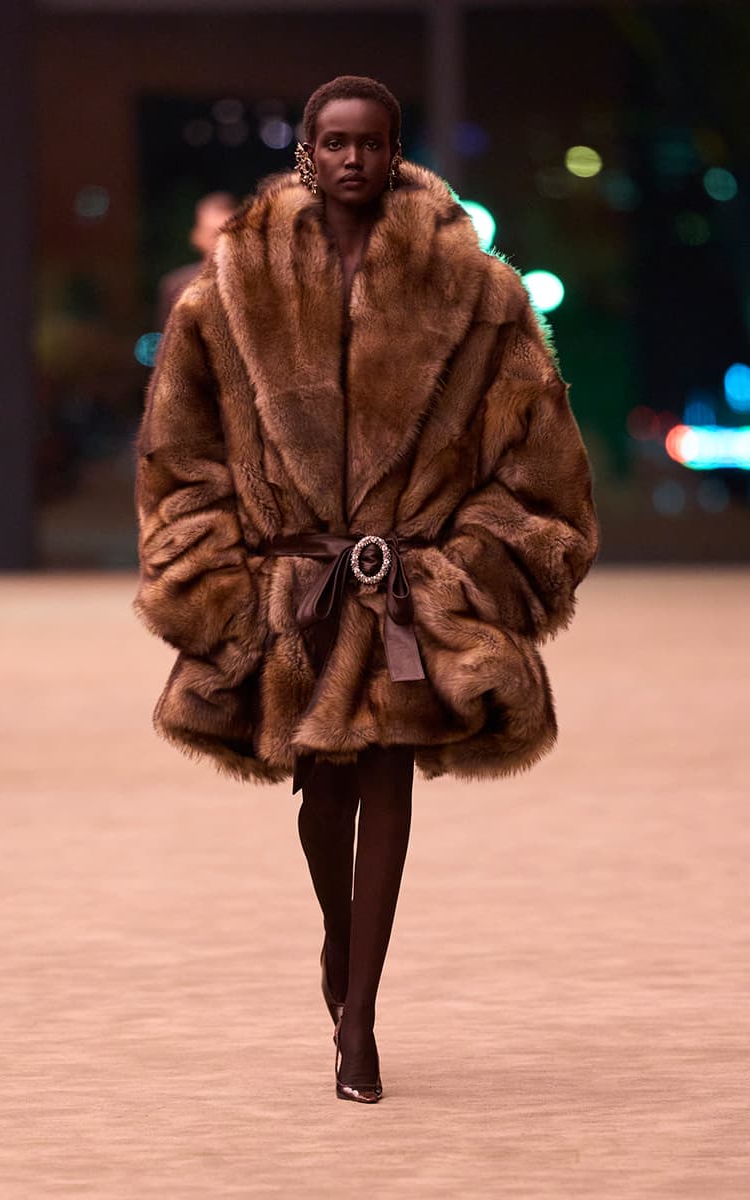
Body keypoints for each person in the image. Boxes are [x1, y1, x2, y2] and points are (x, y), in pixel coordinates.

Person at [133, 75, 600, 1104]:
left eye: (371, 143)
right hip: (289, 584)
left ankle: (358, 1019)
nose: (352, 159)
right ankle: (340, 944)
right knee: (320, 789)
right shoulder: (229, 289)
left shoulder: (473, 292)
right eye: (335, 142)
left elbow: (539, 454)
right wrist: (210, 567)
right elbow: (180, 449)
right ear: (308, 150)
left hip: (404, 585)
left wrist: (466, 562)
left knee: (384, 779)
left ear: (395, 151)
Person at [156, 191, 238, 328]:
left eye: (229, 234)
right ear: (196, 236)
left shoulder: (259, 286)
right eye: (213, 234)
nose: (221, 242)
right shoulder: (175, 287)